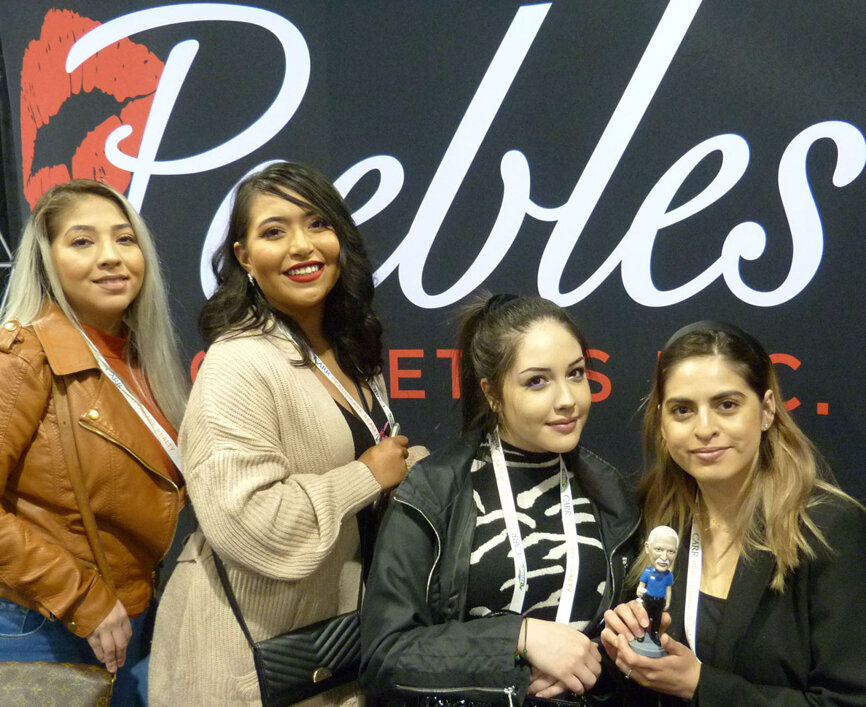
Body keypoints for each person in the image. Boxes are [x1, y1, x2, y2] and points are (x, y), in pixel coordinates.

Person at [149, 161, 417, 706]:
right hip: (239, 662)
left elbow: (374, 451)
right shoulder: (239, 362)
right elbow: (248, 522)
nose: (302, 246)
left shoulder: (349, 354)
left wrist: (408, 467)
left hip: (326, 647)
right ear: (245, 257)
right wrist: (365, 476)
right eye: (275, 231)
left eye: (318, 224)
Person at [361, 294, 640, 705]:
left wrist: (607, 654)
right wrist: (518, 639)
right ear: (492, 392)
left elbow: (618, 654)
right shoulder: (435, 490)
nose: (567, 399)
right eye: (537, 381)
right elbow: (385, 656)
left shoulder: (613, 494)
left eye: (576, 373)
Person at [601, 321, 866, 705]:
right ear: (662, 423)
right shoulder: (651, 520)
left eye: (726, 405)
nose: (704, 428)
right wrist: (619, 654)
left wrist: (700, 685)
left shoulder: (827, 528)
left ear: (767, 410)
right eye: (682, 410)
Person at [0, 179, 188, 705]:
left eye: (125, 240)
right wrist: (81, 597)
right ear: (47, 260)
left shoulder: (139, 361)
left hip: (131, 615)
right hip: (43, 625)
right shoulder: (21, 356)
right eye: (82, 242)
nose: (111, 257)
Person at [631, 526, 678, 657]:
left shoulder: (669, 576)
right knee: (644, 618)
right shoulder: (647, 572)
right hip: (648, 599)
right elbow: (641, 585)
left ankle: (655, 635)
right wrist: (640, 592)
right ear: (648, 548)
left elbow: (668, 590)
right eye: (659, 549)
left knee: (657, 620)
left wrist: (667, 602)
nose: (664, 557)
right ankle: (640, 635)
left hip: (660, 601)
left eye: (670, 551)